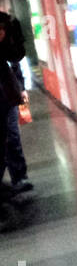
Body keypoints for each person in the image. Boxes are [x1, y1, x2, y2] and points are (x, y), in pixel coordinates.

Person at [0, 13, 31, 193]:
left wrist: (21, 86)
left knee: (12, 135)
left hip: (6, 94)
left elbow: (15, 58)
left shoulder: (6, 24)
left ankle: (19, 176)